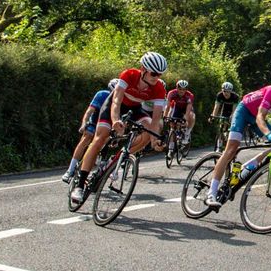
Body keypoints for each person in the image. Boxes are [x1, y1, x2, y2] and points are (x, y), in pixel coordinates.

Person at [70, 52, 168, 203]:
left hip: (134, 108)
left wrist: (155, 141)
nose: (156, 77)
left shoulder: (159, 89)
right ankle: (80, 185)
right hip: (115, 105)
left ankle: (118, 158)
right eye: (153, 73)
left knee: (148, 128)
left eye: (159, 74)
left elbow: (156, 120)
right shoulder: (129, 75)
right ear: (143, 69)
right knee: (100, 138)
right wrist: (115, 121)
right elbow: (116, 101)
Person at [204, 75, 271, 208]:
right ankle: (211, 193)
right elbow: (260, 116)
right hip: (244, 111)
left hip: (256, 117)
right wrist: (269, 134)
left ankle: (246, 170)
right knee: (231, 150)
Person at [61, 78, 121, 182]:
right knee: (87, 136)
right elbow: (89, 111)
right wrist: (83, 124)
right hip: (94, 123)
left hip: (107, 126)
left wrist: (117, 137)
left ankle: (101, 167)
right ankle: (70, 170)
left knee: (107, 141)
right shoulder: (101, 95)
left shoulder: (121, 100)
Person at [162, 79, 196, 148]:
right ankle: (171, 147)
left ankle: (187, 133)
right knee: (172, 125)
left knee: (191, 116)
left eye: (184, 89)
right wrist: (165, 117)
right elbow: (168, 106)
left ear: (186, 89)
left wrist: (185, 118)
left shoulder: (190, 95)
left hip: (186, 108)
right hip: (176, 107)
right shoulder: (171, 93)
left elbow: (189, 108)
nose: (182, 91)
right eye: (180, 89)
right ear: (176, 88)